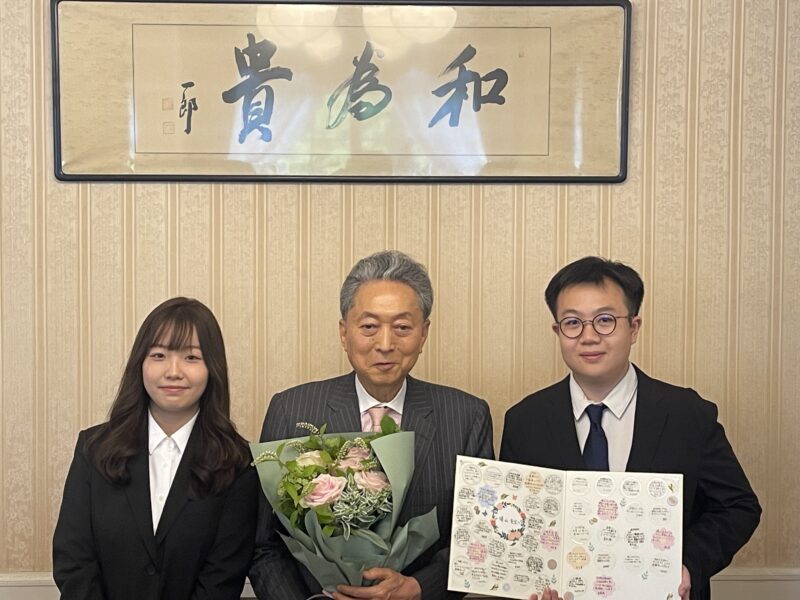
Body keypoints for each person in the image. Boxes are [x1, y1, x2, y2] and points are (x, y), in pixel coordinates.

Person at [500, 257, 761, 600]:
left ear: (634, 327)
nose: (589, 337)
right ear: (558, 331)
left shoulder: (687, 414)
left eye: (605, 320)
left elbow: (738, 506)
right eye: (573, 322)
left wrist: (686, 565)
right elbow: (516, 522)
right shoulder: (524, 421)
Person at [249, 250, 494, 600]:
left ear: (424, 333)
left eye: (402, 327)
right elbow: (264, 545)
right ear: (344, 332)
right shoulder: (292, 410)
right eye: (369, 327)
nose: (385, 344)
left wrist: (418, 588)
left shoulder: (467, 416)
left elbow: (478, 539)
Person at [53, 297, 258, 600]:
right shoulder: (94, 448)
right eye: (159, 355)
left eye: (191, 357)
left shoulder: (238, 464)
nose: (173, 371)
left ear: (212, 368)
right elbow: (73, 560)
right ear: (141, 363)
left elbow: (223, 578)